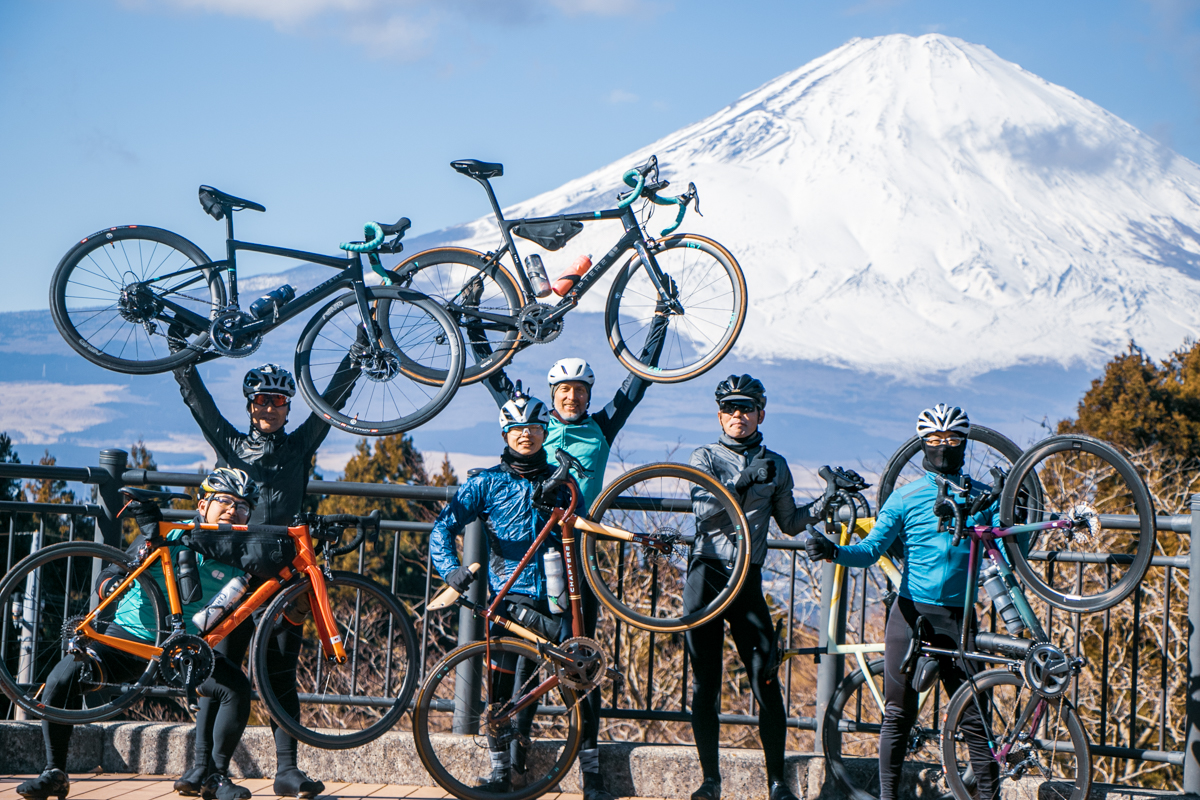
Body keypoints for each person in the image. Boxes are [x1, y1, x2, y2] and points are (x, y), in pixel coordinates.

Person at [480, 322, 666, 800]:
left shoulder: (600, 428)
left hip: (576, 552)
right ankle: (511, 762)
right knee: (520, 658)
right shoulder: (536, 423)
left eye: (579, 390)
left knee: (581, 662)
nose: (571, 398)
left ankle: (592, 774)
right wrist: (475, 329)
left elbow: (637, 384)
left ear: (588, 395)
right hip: (532, 552)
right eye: (564, 390)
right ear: (551, 394)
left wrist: (659, 323)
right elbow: (495, 380)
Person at [172, 358, 360, 799]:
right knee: (217, 671)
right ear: (250, 404)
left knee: (280, 673)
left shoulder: (299, 446)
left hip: (282, 579)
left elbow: (332, 402)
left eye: (278, 400)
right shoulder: (232, 444)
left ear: (289, 407)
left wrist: (355, 354)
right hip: (233, 579)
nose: (270, 407)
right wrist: (182, 362)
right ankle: (204, 769)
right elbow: (200, 404)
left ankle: (287, 771)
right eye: (262, 399)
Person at [17, 469, 261, 800]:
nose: (234, 509)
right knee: (63, 678)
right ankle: (54, 772)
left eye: (243, 506)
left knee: (236, 688)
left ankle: (215, 778)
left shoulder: (243, 559)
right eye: (225, 501)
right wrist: (114, 583)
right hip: (125, 639)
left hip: (180, 652)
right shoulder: (167, 535)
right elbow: (109, 572)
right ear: (202, 504)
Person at [804, 404, 1000, 800]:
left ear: (964, 443)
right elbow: (872, 548)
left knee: (976, 720)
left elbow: (1014, 548)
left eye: (952, 440)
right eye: (934, 440)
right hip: (911, 615)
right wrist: (833, 551)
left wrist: (1018, 501)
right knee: (898, 716)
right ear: (922, 444)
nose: (943, 447)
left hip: (960, 618)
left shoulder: (983, 497)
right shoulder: (905, 497)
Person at [429, 392, 587, 795]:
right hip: (509, 597)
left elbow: (580, 522)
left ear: (544, 431)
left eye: (534, 427)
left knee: (574, 678)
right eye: (517, 428)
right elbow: (442, 528)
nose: (525, 435)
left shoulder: (561, 480)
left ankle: (589, 771)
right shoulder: (487, 483)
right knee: (501, 689)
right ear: (505, 433)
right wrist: (450, 570)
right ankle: (500, 769)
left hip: (558, 596)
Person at [686, 375, 823, 800]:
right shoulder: (704, 455)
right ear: (719, 414)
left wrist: (828, 502)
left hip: (747, 577)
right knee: (705, 683)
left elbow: (791, 523)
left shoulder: (776, 463)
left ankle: (777, 782)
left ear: (761, 413)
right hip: (706, 575)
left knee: (766, 677)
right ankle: (710, 782)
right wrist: (744, 480)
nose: (737, 415)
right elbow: (705, 512)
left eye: (746, 408)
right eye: (729, 408)